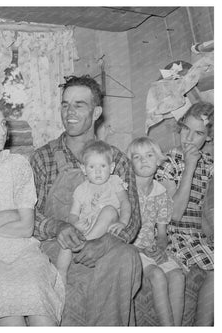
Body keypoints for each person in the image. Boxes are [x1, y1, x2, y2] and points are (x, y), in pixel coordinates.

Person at [29, 75, 142, 326]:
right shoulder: (42, 157)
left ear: (96, 111)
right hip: (58, 246)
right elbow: (28, 217)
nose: (69, 111)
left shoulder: (117, 160)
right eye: (65, 104)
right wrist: (58, 227)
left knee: (126, 256)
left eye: (79, 105)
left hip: (104, 241)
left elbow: (131, 216)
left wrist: (106, 240)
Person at [0, 99, 65, 326]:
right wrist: (8, 214)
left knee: (37, 296)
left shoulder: (18, 165)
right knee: (8, 304)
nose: (2, 131)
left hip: (23, 252)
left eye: (3, 123)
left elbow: (26, 228)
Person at [155, 102, 214, 326]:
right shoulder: (167, 163)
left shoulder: (210, 166)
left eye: (198, 133)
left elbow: (205, 209)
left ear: (208, 138)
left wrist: (211, 233)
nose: (189, 138)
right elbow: (174, 215)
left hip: (198, 236)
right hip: (173, 235)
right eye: (186, 129)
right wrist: (189, 167)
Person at [127, 136, 185, 326]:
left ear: (159, 160)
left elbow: (162, 234)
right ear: (130, 163)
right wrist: (140, 251)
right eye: (137, 157)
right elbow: (119, 234)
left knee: (177, 276)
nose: (144, 160)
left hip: (150, 248)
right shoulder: (125, 191)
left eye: (149, 155)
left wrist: (160, 249)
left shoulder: (160, 193)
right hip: (130, 250)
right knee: (158, 276)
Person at [56, 140, 131, 283]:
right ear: (83, 169)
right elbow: (73, 214)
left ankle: (84, 244)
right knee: (66, 238)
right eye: (92, 167)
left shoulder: (115, 182)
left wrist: (123, 222)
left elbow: (125, 203)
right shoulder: (81, 190)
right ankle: (61, 273)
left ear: (111, 167)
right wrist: (75, 225)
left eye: (103, 166)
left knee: (109, 210)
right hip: (87, 227)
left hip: (107, 228)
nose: (97, 171)